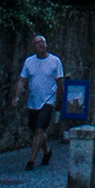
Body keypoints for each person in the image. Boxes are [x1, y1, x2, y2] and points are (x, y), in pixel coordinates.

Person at [15, 29, 65, 169]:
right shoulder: (29, 62)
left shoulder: (55, 61)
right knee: (37, 130)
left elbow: (60, 83)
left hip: (49, 100)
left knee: (39, 129)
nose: (40, 44)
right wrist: (16, 96)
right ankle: (47, 152)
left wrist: (59, 101)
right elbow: (22, 80)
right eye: (37, 43)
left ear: (46, 44)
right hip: (33, 102)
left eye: (42, 42)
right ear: (33, 46)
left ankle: (31, 161)